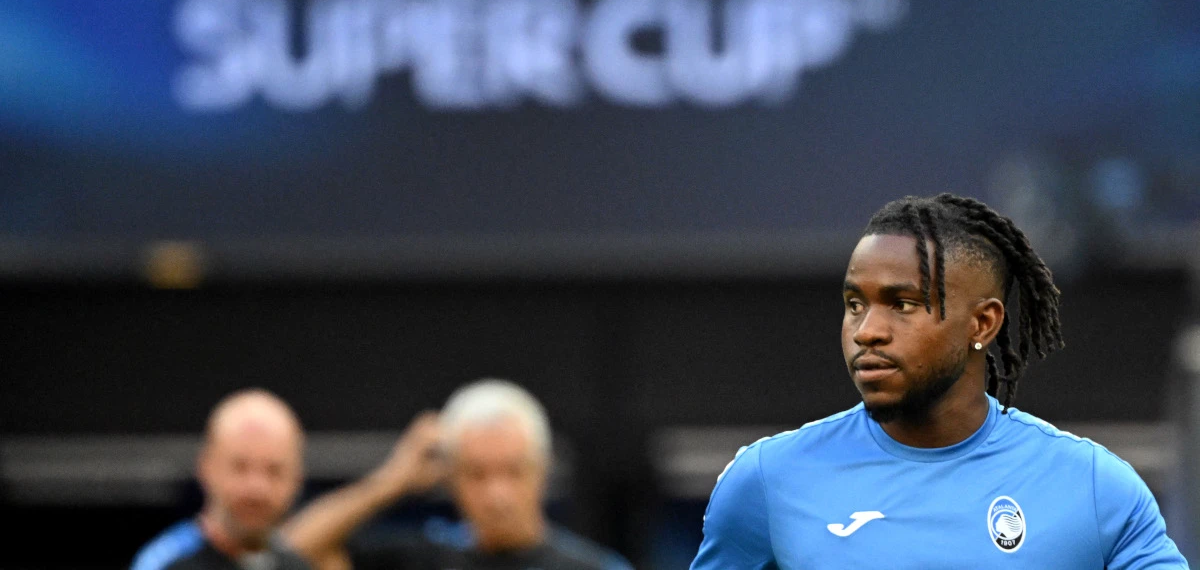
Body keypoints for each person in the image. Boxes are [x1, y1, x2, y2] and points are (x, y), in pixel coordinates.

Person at [691, 192, 1189, 569]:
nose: (867, 331)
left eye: (903, 304)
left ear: (982, 324)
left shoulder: (1094, 488)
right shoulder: (767, 480)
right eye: (855, 304)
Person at [282, 379, 631, 570]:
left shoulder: (595, 568)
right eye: (477, 474)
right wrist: (393, 479)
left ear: (542, 471)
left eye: (513, 471)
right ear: (450, 478)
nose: (497, 495)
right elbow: (293, 554)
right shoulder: (424, 558)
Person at [131, 388, 310, 570]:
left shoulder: (296, 565)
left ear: (297, 479)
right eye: (240, 467)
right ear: (205, 468)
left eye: (274, 471)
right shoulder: (165, 563)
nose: (256, 488)